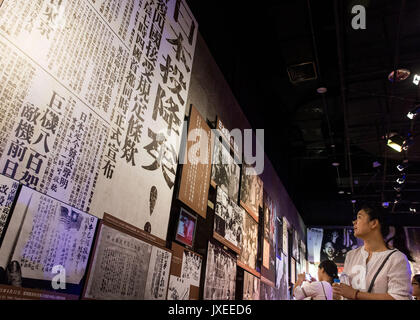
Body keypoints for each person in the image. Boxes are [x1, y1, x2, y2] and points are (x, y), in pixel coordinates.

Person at [333, 204, 413, 300]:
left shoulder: (396, 258)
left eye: (359, 217)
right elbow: (344, 289)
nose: (354, 222)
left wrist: (355, 294)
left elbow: (399, 297)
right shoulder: (351, 255)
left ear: (374, 223)